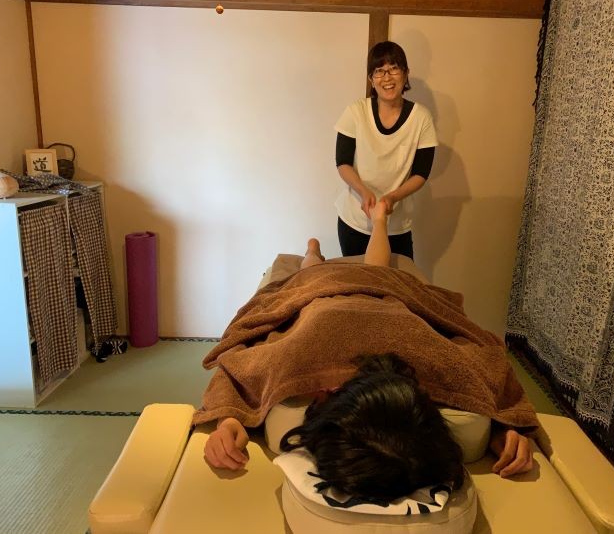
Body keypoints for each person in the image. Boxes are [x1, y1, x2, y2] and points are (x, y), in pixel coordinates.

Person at [204, 202, 534, 500]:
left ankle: (332, 242)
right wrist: (505, 428)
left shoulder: (294, 363)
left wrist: (229, 420)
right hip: (376, 290)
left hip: (324, 290)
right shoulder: (442, 367)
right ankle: (355, 230)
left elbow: (238, 366)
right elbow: (492, 366)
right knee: (370, 269)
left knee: (317, 271)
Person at [334, 41, 437, 260]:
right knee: (357, 279)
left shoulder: (421, 118)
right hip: (355, 220)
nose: (387, 77)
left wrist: (393, 197)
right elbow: (342, 163)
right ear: (371, 79)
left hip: (397, 225)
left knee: (397, 279)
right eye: (379, 71)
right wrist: (363, 191)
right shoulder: (355, 112)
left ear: (405, 74)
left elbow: (421, 172)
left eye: (394, 69)